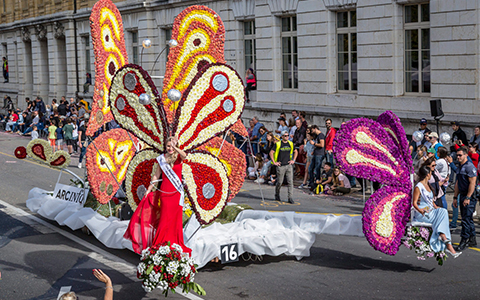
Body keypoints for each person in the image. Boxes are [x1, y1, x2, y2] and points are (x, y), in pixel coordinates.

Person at [124, 136, 192, 255]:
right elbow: (156, 176)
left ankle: (175, 243)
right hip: (165, 193)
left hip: (176, 193)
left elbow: (185, 155)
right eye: (168, 146)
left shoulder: (178, 158)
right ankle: (161, 243)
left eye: (172, 146)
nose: (170, 148)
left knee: (175, 220)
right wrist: (149, 189)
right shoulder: (161, 159)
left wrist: (176, 148)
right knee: (164, 218)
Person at [412, 166, 461, 258]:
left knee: (443, 211)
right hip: (422, 213)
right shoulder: (419, 187)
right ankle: (446, 242)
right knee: (442, 213)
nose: (432, 174)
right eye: (431, 173)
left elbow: (432, 201)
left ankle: (443, 237)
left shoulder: (428, 185)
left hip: (430, 210)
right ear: (427, 175)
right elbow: (414, 203)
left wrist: (436, 207)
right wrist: (420, 210)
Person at [453, 146, 477, 251]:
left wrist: (468, 197)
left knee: (465, 219)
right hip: (462, 194)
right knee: (468, 218)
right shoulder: (460, 166)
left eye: (460, 155)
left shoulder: (469, 167)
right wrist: (455, 197)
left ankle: (464, 239)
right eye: (457, 155)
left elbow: (472, 183)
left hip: (469, 196)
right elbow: (458, 182)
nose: (458, 157)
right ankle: (472, 239)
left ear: (466, 155)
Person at [270, 130, 297, 204]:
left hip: (288, 165)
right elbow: (271, 152)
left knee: (290, 182)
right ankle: (277, 194)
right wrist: (274, 162)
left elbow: (295, 151)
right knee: (279, 182)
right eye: (285, 136)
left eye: (287, 135)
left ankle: (290, 197)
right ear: (282, 137)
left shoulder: (290, 144)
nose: (287, 137)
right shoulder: (278, 144)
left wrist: (293, 160)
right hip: (281, 165)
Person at [308, 125, 325, 190]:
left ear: (315, 129)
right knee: (310, 168)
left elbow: (322, 145)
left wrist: (314, 144)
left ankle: (316, 182)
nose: (312, 132)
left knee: (317, 169)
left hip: (319, 154)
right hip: (316, 153)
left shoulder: (321, 135)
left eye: (312, 130)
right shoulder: (317, 136)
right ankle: (311, 182)